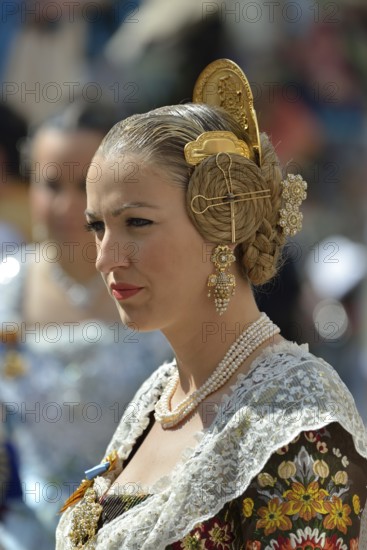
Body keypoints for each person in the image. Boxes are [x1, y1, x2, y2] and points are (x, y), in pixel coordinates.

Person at [56, 60, 367, 549]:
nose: (105, 258)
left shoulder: (300, 413)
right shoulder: (159, 395)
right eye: (98, 227)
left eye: (136, 223)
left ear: (223, 224)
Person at [0, 102, 172, 546]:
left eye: (86, 185)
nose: (67, 205)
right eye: (51, 184)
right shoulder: (6, 289)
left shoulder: (162, 284)